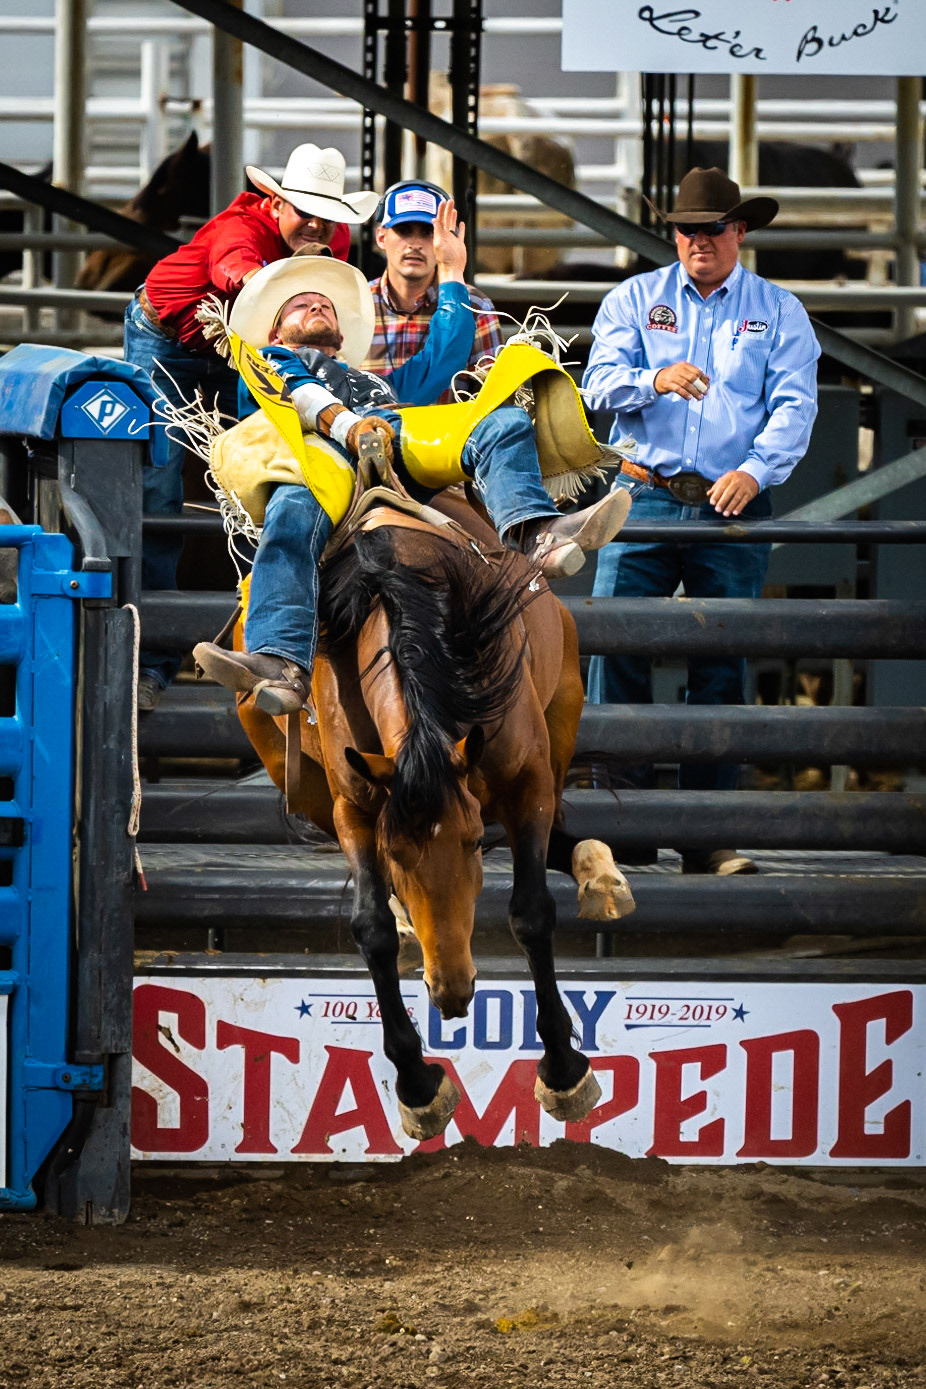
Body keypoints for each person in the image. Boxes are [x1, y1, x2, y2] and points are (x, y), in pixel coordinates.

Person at [192, 256, 632, 717]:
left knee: (500, 421)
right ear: (277, 334)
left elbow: (443, 356)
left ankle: (537, 533)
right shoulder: (270, 360)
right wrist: (347, 426)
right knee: (293, 508)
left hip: (395, 435)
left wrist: (454, 277)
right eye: (300, 306)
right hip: (319, 455)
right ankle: (279, 659)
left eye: (325, 305)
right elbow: (293, 393)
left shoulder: (382, 382)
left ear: (342, 338)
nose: (317, 307)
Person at [583, 167, 820, 876]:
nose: (697, 240)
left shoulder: (777, 310)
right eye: (687, 229)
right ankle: (623, 832)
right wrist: (653, 378)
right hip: (643, 489)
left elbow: (795, 405)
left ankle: (708, 834)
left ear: (738, 232)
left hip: (730, 498)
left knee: (721, 659)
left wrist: (756, 470)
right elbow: (595, 384)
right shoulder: (634, 298)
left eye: (712, 228)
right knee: (614, 655)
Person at [127, 143, 377, 709]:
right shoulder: (240, 230)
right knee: (158, 488)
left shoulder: (326, 241)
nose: (315, 224)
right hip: (171, 343)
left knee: (285, 466)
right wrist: (280, 306)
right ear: (274, 202)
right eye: (302, 210)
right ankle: (152, 663)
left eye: (326, 214)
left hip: (243, 346)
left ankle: (277, 638)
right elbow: (235, 269)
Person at [360, 180, 503, 403]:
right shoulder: (356, 301)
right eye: (404, 230)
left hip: (450, 436)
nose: (415, 244)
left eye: (428, 232)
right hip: (371, 435)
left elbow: (493, 398)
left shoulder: (474, 304)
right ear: (381, 237)